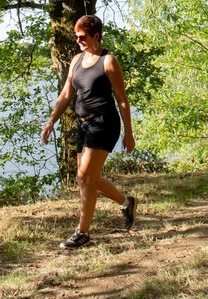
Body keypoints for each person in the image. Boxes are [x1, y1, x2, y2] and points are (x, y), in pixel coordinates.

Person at [40, 15, 136, 249]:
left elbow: (122, 100)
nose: (79, 40)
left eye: (83, 36)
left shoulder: (108, 61)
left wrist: (129, 133)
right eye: (76, 36)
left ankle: (82, 232)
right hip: (82, 124)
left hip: (104, 123)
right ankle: (126, 202)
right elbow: (65, 95)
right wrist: (51, 120)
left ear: (96, 36)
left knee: (85, 177)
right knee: (88, 178)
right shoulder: (76, 60)